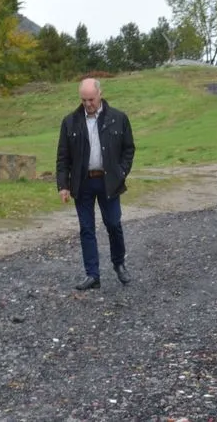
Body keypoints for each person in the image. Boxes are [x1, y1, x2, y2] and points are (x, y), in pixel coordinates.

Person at [55, 77, 135, 290]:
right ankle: (92, 274)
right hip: (82, 183)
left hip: (109, 181)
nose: (88, 104)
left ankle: (119, 264)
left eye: (91, 99)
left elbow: (128, 149)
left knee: (114, 224)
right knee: (86, 228)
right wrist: (63, 185)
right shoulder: (70, 122)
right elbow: (63, 156)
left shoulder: (118, 118)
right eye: (84, 100)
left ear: (100, 94)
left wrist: (121, 172)